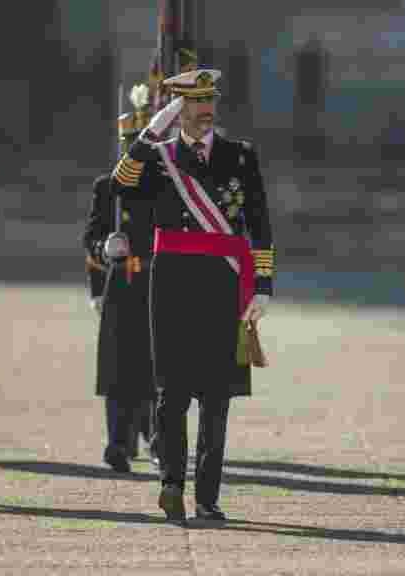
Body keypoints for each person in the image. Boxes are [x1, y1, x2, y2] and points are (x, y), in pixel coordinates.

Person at [111, 68, 274, 524]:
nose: (206, 110)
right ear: (177, 109)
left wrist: (263, 284)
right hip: (173, 284)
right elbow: (120, 184)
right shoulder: (159, 157)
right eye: (195, 103)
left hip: (225, 283)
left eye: (210, 101)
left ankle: (207, 495)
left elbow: (259, 222)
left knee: (217, 397)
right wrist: (149, 133)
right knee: (172, 392)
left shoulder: (240, 155)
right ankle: (171, 484)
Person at [83, 82, 158, 474]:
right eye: (128, 144)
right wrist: (102, 251)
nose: (132, 153)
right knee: (116, 368)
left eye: (139, 145)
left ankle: (155, 437)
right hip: (120, 286)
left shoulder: (163, 186)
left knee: (154, 368)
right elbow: (91, 237)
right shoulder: (107, 189)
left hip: (157, 284)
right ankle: (116, 441)